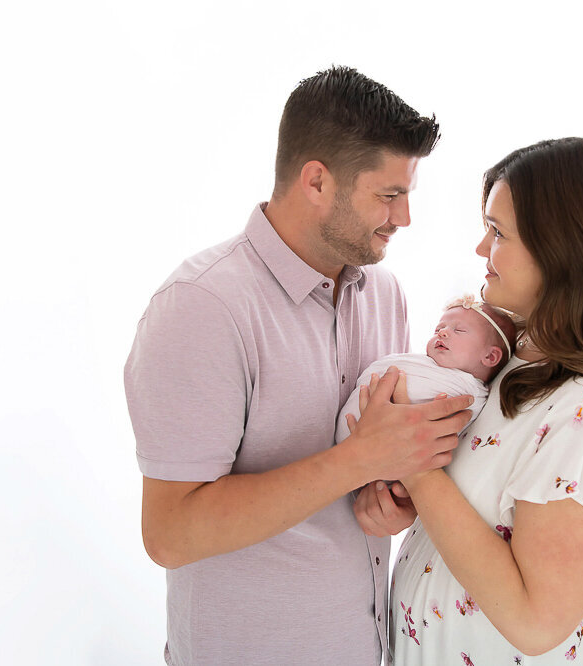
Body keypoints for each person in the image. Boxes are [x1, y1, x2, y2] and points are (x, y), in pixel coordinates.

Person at [123, 66, 474, 666]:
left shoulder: (384, 294)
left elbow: (369, 475)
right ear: (316, 181)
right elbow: (170, 535)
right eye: (388, 195)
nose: (405, 218)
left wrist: (388, 499)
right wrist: (359, 459)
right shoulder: (202, 306)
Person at [354, 137, 583, 664]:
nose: (482, 249)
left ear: (565, 249)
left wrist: (414, 467)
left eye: (498, 232)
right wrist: (403, 502)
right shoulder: (515, 353)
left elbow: (534, 621)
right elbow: (482, 507)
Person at [335, 294, 518, 444]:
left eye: (459, 330)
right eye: (438, 329)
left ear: (490, 357)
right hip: (350, 443)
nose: (442, 332)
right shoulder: (420, 364)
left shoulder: (470, 394)